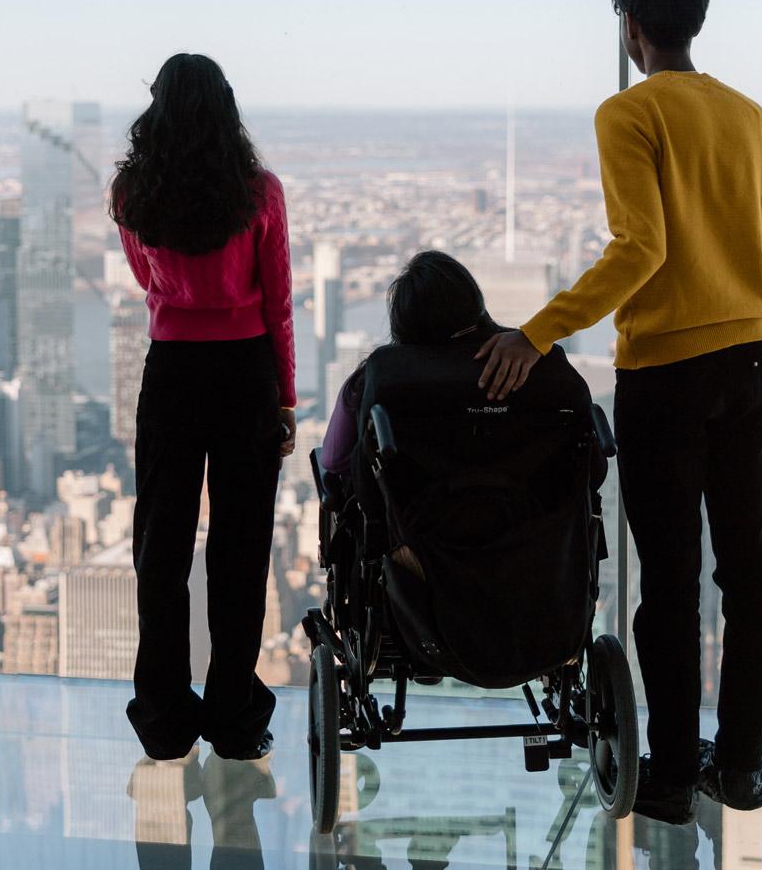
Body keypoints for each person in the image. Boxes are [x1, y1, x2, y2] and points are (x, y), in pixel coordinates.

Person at [478, 0, 762, 823]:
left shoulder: (629, 112)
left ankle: (671, 777)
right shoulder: (750, 119)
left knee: (672, 582)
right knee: (748, 570)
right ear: (695, 23)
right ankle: (743, 768)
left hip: (666, 374)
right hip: (749, 361)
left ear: (631, 31)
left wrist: (535, 333)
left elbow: (640, 250)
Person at [111, 52, 297, 761]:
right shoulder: (261, 192)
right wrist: (284, 397)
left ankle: (162, 720)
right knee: (242, 548)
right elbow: (277, 301)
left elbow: (144, 281)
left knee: (161, 546)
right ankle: (235, 718)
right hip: (246, 369)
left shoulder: (133, 192)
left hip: (173, 374)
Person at [318, 250, 496, 481]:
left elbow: (334, 460)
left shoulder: (376, 377)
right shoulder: (518, 363)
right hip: (520, 512)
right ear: (475, 303)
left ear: (403, 319)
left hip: (407, 514)